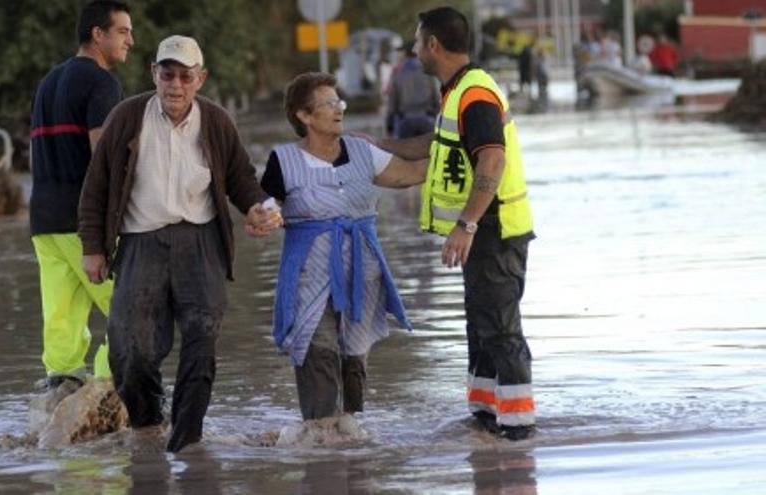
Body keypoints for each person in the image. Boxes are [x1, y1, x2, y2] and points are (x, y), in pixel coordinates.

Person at [77, 35, 282, 452]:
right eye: (166, 74)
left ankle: (187, 442)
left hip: (201, 243)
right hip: (139, 243)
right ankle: (149, 425)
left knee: (201, 342)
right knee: (129, 352)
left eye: (184, 76)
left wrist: (259, 206)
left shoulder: (217, 121)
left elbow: (241, 177)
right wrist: (93, 247)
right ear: (153, 73)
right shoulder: (127, 117)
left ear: (200, 79)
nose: (175, 84)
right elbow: (95, 186)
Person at [378, 7, 536, 440]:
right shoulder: (458, 91)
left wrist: (465, 225)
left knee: (500, 330)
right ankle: (485, 421)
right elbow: (437, 144)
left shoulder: (475, 93)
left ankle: (519, 434)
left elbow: (493, 159)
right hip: (485, 230)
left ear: (433, 45)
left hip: (494, 230)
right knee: (481, 326)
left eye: (416, 42)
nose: (413, 50)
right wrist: (377, 145)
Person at [260, 72, 428, 422]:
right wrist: (264, 217)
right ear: (304, 116)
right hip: (309, 280)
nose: (339, 110)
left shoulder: (362, 152)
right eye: (329, 104)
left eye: (340, 102)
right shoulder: (283, 162)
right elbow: (262, 207)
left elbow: (411, 174)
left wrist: (474, 145)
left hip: (362, 279)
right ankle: (321, 440)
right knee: (317, 354)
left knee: (354, 365)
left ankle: (351, 451)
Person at [29, 0, 134, 391]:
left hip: (43, 220)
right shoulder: (101, 82)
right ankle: (109, 386)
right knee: (127, 305)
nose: (130, 41)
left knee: (62, 313)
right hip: (83, 222)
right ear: (98, 34)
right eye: (122, 31)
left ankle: (62, 386)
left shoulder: (47, 83)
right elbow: (103, 157)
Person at [385, 41, 441, 138]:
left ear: (405, 54)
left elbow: (392, 104)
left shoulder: (398, 73)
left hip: (405, 122)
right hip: (427, 120)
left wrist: (389, 126)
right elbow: (436, 97)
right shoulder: (429, 73)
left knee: (405, 151)